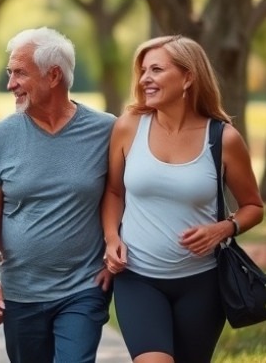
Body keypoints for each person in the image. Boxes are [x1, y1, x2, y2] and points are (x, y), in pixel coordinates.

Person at [101, 35, 263, 363]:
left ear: (188, 77)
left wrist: (224, 228)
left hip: (202, 284)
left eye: (157, 69)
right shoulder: (129, 127)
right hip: (138, 278)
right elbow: (114, 191)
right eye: (143, 70)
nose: (145, 78)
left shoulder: (223, 138)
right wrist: (111, 238)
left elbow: (254, 207)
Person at [0, 27, 116, 363]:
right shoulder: (1, 136)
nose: (10, 85)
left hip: (83, 288)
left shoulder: (106, 130)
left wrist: (113, 251)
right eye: (10, 73)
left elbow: (121, 193)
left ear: (53, 75)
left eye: (19, 73)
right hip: (20, 292)